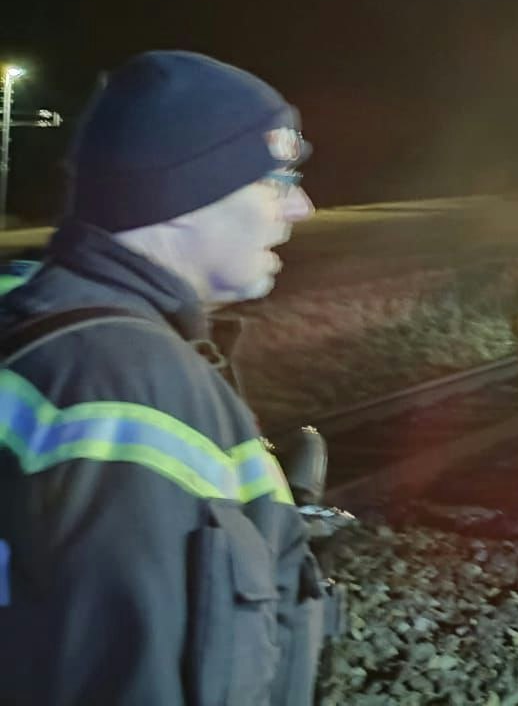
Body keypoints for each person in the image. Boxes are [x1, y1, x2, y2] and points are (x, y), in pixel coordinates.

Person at [0, 50, 329, 705]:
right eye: (275, 182)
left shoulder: (47, 324)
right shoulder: (126, 384)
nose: (303, 209)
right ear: (181, 194)